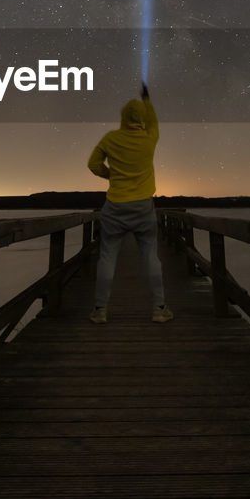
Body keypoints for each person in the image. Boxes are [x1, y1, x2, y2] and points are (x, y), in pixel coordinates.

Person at [86, 81, 172, 324]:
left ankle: (100, 310)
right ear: (141, 118)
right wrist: (147, 100)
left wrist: (111, 175)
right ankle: (159, 308)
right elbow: (154, 122)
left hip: (114, 206)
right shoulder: (149, 138)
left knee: (107, 257)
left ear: (123, 117)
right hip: (143, 207)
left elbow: (93, 165)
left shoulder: (110, 139)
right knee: (150, 257)